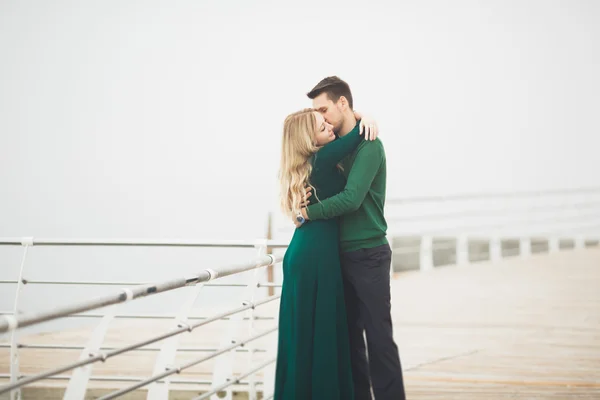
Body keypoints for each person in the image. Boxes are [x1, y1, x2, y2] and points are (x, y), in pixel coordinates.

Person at [297, 76, 407, 400]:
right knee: (349, 343)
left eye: (324, 108)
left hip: (370, 253)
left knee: (379, 339)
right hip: (337, 256)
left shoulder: (370, 145)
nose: (321, 117)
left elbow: (352, 198)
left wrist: (309, 214)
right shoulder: (329, 145)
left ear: (342, 103)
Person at [274, 107, 378, 400]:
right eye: (323, 128)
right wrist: (365, 116)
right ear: (310, 140)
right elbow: (357, 134)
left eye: (327, 123)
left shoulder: (311, 163)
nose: (330, 129)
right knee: (321, 332)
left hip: (306, 253)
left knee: (305, 333)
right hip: (315, 257)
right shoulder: (320, 159)